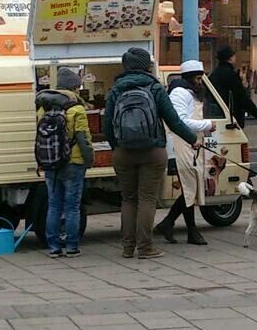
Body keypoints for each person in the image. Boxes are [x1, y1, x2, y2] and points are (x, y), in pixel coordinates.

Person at [104, 47, 201, 259]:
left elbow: (107, 126)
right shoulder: (155, 88)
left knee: (128, 200)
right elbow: (173, 121)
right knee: (147, 199)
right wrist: (193, 140)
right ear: (146, 65)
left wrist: (117, 146)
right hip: (152, 151)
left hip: (123, 151)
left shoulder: (115, 90)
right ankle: (145, 248)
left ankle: (127, 248)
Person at [155, 60, 216, 246]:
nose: (200, 82)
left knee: (193, 187)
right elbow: (180, 121)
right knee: (190, 188)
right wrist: (206, 125)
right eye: (198, 78)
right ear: (190, 78)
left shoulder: (190, 92)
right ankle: (191, 231)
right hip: (181, 143)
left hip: (192, 143)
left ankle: (168, 223)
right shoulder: (179, 93)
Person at [35, 68, 93, 258]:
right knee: (71, 207)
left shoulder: (43, 108)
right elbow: (83, 139)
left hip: (51, 163)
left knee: (54, 205)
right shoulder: (77, 109)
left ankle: (54, 247)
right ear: (74, 87)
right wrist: (89, 159)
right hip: (73, 163)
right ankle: (72, 246)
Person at [209, 46, 257, 128]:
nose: (235, 58)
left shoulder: (213, 74)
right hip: (232, 119)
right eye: (234, 56)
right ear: (230, 59)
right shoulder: (231, 75)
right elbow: (242, 98)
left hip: (216, 116)